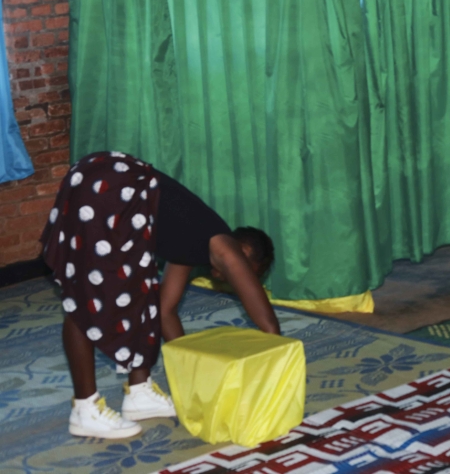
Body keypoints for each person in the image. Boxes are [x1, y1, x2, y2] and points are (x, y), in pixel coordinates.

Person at [39, 151, 282, 440]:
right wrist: (276, 366)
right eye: (251, 273)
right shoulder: (225, 246)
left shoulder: (192, 243)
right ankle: (85, 408)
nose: (244, 279)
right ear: (245, 256)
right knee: (87, 298)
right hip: (113, 185)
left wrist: (195, 371)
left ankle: (139, 392)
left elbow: (165, 311)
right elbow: (266, 322)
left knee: (143, 297)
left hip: (112, 184)